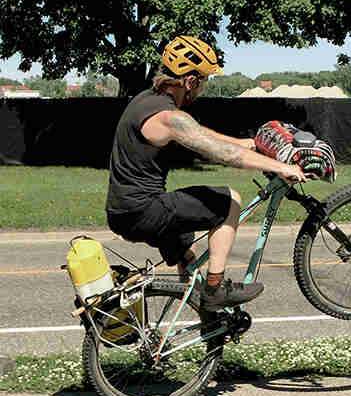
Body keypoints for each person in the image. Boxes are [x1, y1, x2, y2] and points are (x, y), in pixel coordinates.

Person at [105, 35, 307, 310]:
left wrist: (245, 143)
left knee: (188, 257)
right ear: (190, 81)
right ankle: (216, 288)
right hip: (144, 210)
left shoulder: (147, 101)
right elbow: (223, 155)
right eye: (203, 81)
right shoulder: (168, 117)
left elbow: (199, 134)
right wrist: (281, 167)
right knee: (230, 201)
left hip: (123, 211)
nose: (203, 89)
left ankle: (209, 329)